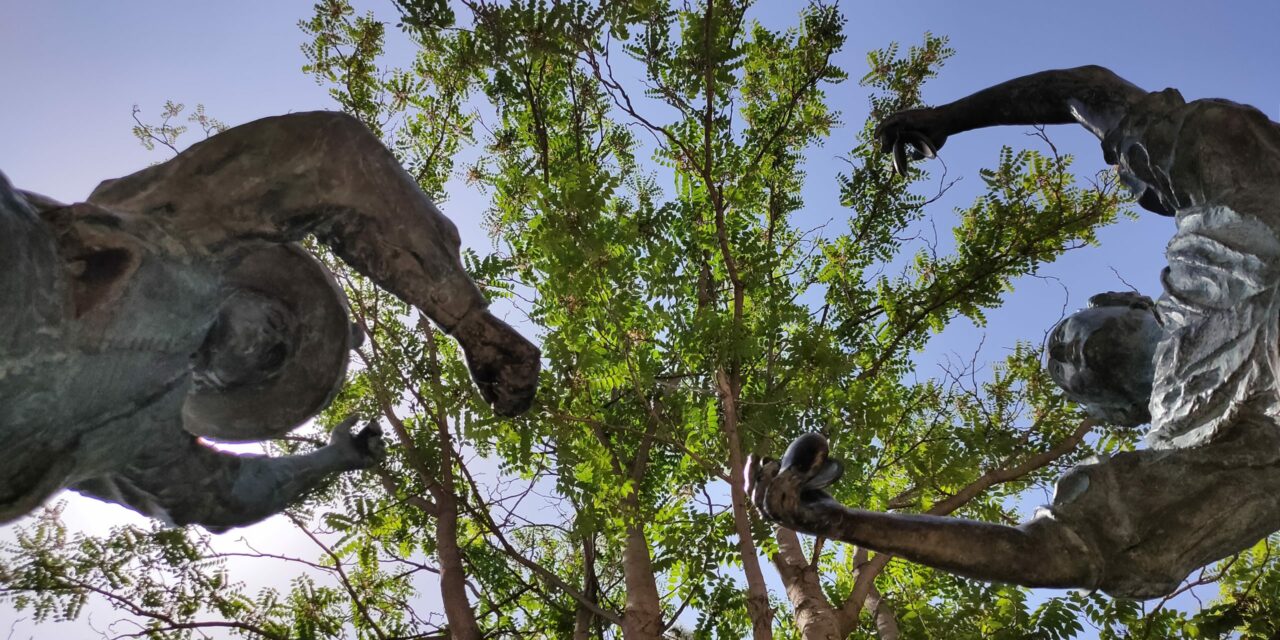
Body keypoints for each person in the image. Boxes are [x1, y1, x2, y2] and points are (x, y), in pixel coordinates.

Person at [747, 66, 1280, 598]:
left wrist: (949, 118)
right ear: (1119, 414)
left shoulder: (1213, 216)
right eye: (1070, 377)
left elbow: (1090, 95)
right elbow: (1056, 549)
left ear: (1126, 302)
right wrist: (843, 523)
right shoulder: (1192, 450)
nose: (1064, 353)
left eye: (1066, 333)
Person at [0, 111, 540, 532]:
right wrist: (468, 321)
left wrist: (334, 459)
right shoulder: (173, 231)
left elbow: (227, 498)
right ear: (253, 284)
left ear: (236, 391)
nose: (269, 342)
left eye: (279, 360)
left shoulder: (146, 443)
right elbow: (327, 157)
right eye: (285, 322)